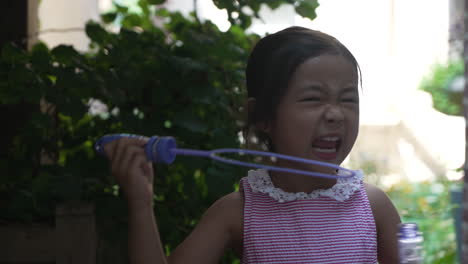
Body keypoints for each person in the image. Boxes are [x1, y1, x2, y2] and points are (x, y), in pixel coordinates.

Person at [103, 26, 401, 264]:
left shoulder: (373, 207)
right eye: (313, 98)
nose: (336, 114)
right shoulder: (239, 211)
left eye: (348, 99)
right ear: (261, 116)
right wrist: (141, 203)